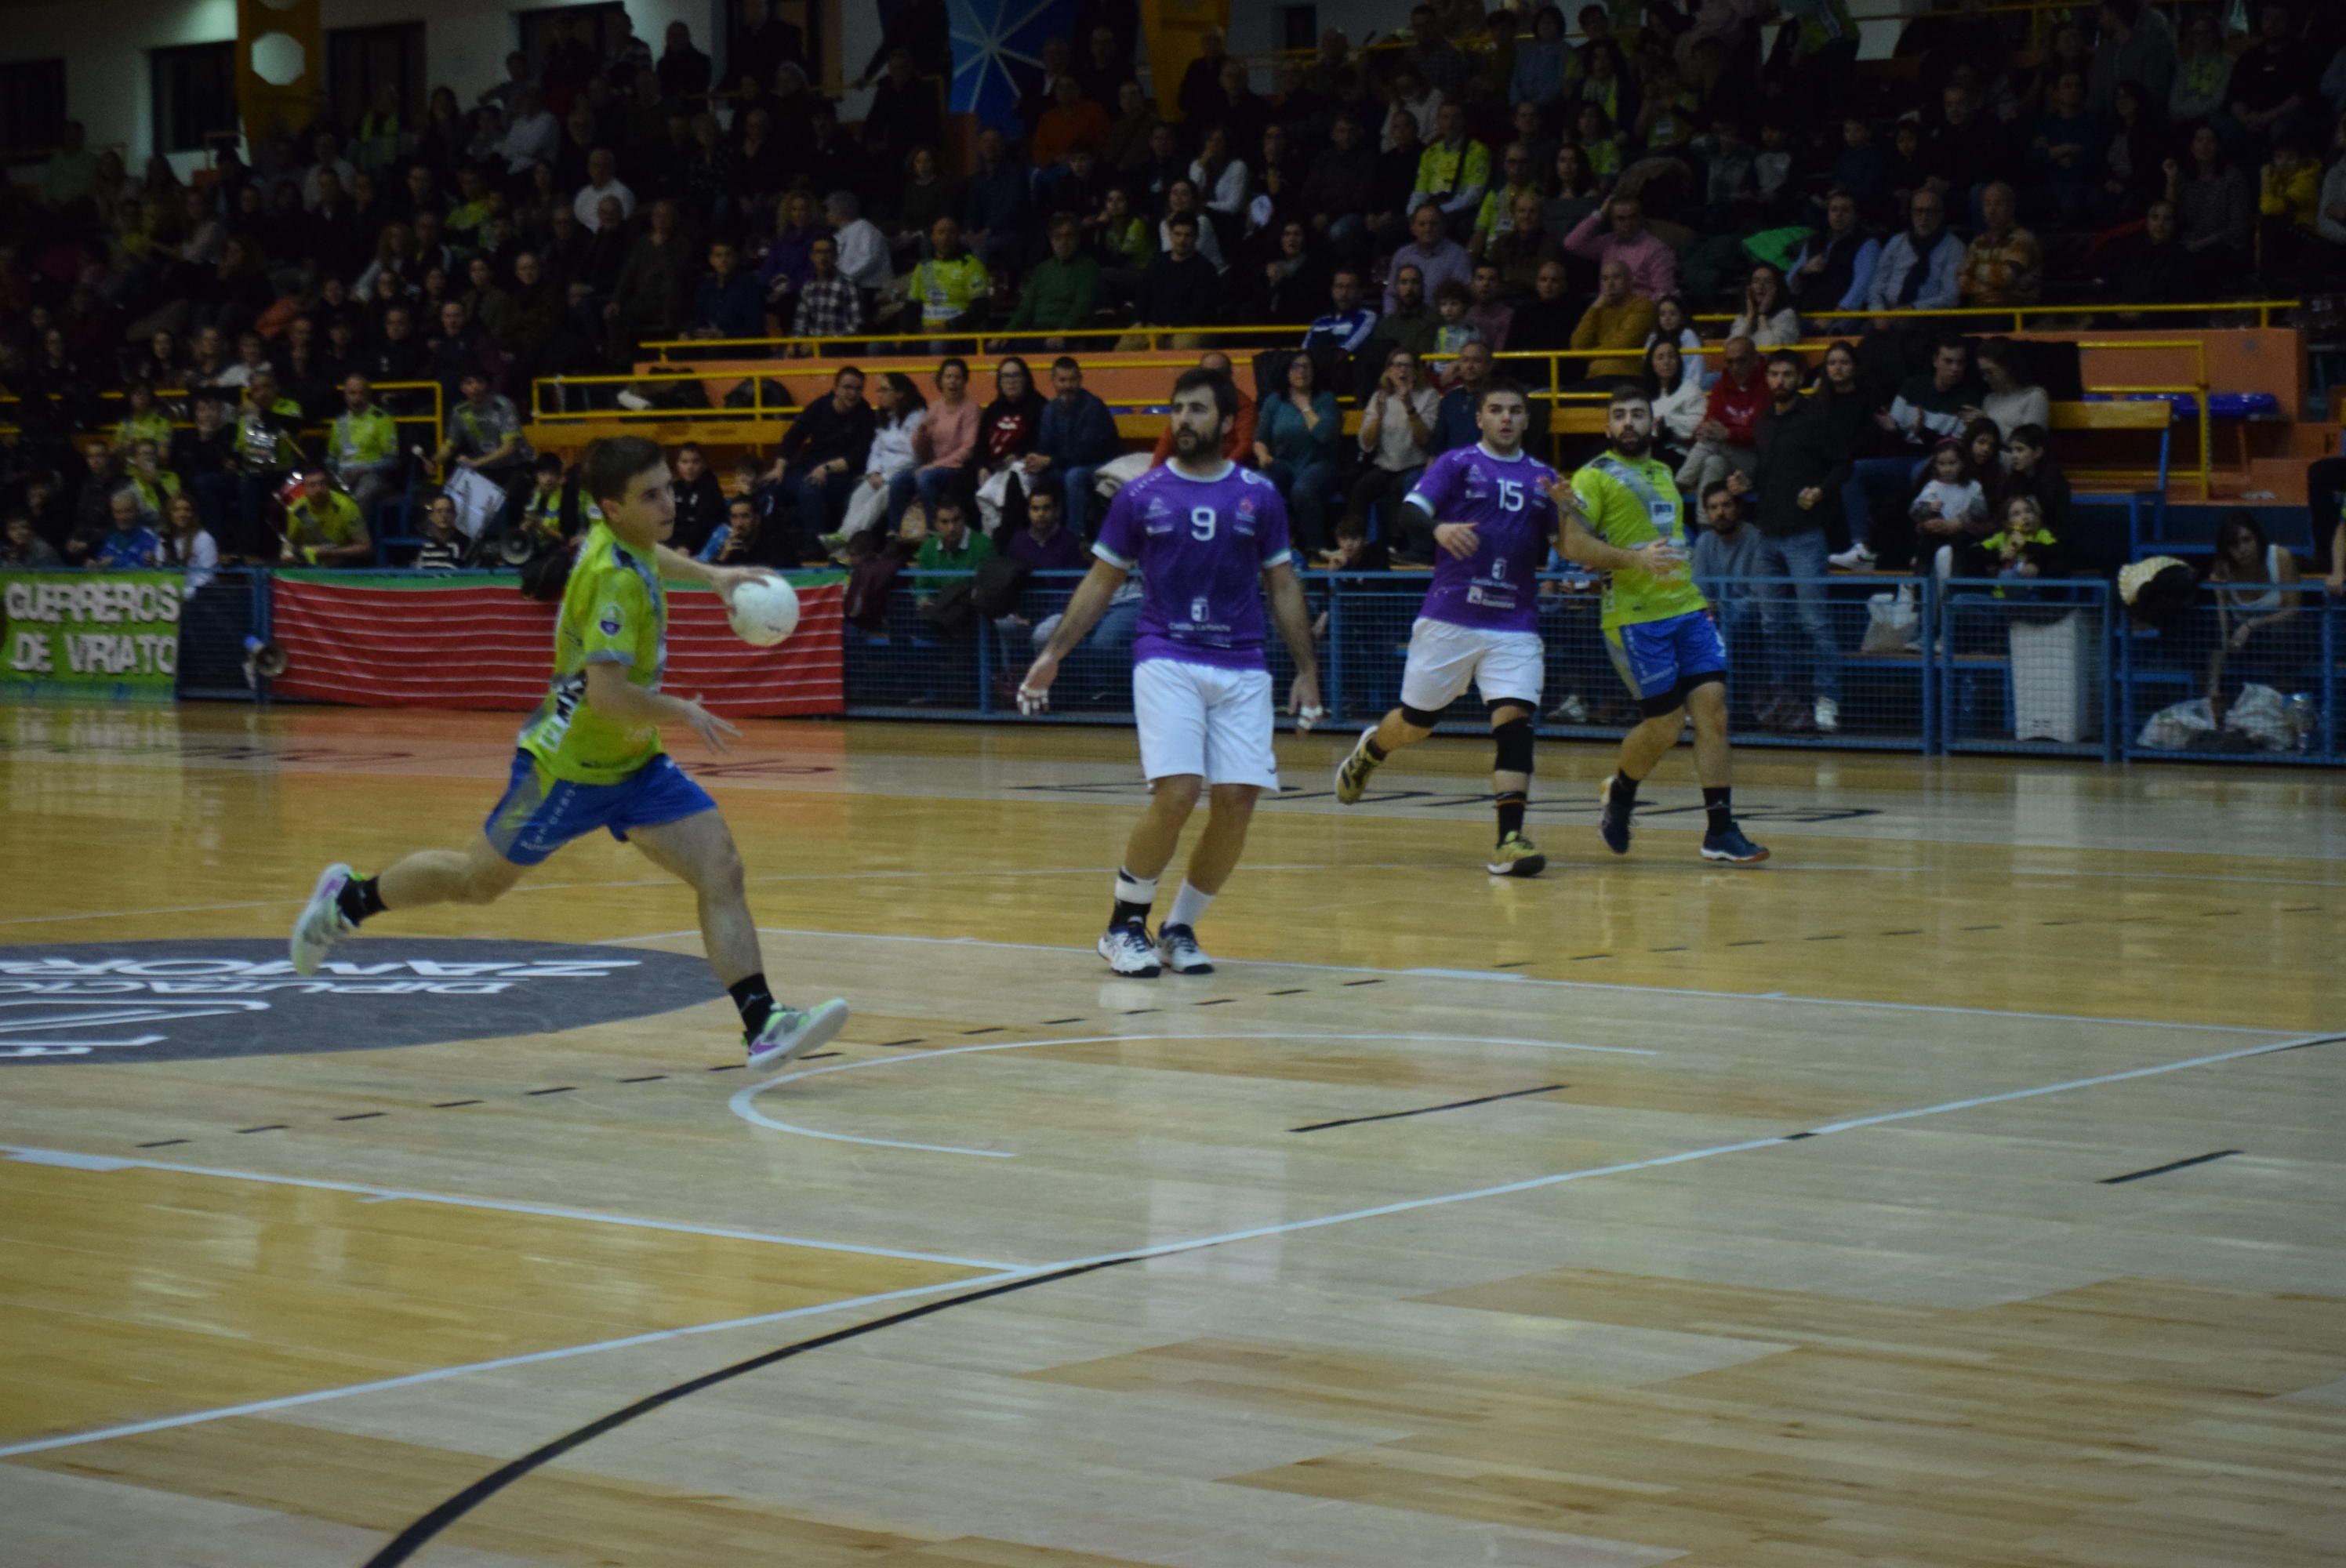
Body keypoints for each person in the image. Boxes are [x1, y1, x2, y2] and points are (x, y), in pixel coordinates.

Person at [289, 436, 849, 1069]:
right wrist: (685, 712)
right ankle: (348, 900)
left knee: (720, 867)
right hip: (566, 770)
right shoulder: (610, 583)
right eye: (651, 495)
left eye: (667, 487)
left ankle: (763, 1022)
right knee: (476, 883)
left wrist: (712, 574)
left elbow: (649, 554)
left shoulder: (621, 538)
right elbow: (609, 695)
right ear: (611, 506)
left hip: (634, 763)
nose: (668, 502)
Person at [1015, 368, 1322, 978]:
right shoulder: (1141, 495)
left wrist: (1306, 670)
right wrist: (1052, 654)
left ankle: (1178, 927)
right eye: (1177, 409)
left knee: (1237, 801)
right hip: (1167, 655)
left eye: (1197, 410)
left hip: (1243, 662)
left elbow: (1282, 585)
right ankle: (1123, 925)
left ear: (1228, 421)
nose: (1182, 419)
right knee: (1179, 791)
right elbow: (1101, 582)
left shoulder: (1259, 495)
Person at [1333, 379, 1561, 877]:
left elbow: (1569, 541)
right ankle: (1372, 750)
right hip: (1451, 617)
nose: (1506, 418)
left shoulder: (1545, 478)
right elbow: (1410, 511)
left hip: (1515, 622)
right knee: (1416, 724)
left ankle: (1509, 840)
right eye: (1496, 409)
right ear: (1480, 417)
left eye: (1515, 410)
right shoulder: (1457, 463)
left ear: (1526, 420)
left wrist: (1594, 538)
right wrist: (1436, 528)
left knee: (1516, 726)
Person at [1552, 383, 1769, 865]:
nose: (1629, 423)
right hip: (1635, 618)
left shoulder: (1664, 471)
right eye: (1619, 415)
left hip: (1687, 609)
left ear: (1654, 423)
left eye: (1638, 414)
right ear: (1608, 426)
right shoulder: (1593, 476)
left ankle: (1720, 831)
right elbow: (1571, 546)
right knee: (1668, 725)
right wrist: (1630, 560)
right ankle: (1622, 793)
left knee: (1714, 714)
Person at [1731, 350, 1848, 734]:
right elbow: (1768, 474)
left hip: (1805, 536)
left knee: (1815, 623)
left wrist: (1820, 490)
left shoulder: (1818, 418)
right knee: (1773, 624)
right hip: (1766, 534)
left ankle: (1826, 699)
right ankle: (1785, 703)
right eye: (1775, 374)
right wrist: (1747, 485)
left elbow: (1844, 464)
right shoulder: (1764, 422)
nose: (1780, 380)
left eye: (1787, 374)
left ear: (1800, 377)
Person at [1252, 351, 1345, 554]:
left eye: (1306, 367)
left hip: (1320, 464)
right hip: (1285, 464)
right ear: (1286, 373)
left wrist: (1305, 407)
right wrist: (1263, 456)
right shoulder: (1274, 401)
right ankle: (1267, 546)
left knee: (1302, 490)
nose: (1301, 371)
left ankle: (1316, 548)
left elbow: (1323, 435)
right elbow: (1260, 438)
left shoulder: (1326, 399)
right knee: (1259, 483)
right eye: (1296, 366)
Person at [1029, 357, 1121, 534]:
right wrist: (1035, 460)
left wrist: (1049, 461)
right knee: (1036, 475)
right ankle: (1041, 535)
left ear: (1080, 380)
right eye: (1062, 380)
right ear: (1053, 381)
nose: (1067, 385)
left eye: (1072, 380)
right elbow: (1045, 447)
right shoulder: (1049, 410)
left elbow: (1086, 454)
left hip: (1102, 464)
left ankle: (1075, 538)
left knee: (1074, 476)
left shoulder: (1094, 407)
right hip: (1066, 464)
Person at [1866, 187, 1963, 314]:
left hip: (1927, 315)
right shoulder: (1897, 242)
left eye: (1930, 212)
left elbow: (1951, 296)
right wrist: (1878, 311)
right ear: (1911, 213)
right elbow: (1877, 285)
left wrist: (1914, 309)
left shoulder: (1954, 247)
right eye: (1919, 211)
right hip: (1888, 312)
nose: (1924, 218)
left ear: (1941, 214)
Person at [1572, 259, 1656, 380]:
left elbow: (1622, 344)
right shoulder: (1599, 308)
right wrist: (1594, 309)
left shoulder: (1644, 306)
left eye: (1616, 277)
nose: (1610, 284)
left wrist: (1587, 353)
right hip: (1594, 377)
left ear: (1630, 280)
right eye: (1605, 279)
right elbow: (1577, 345)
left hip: (1629, 376)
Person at [281, 470, 374, 566]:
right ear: (304, 489)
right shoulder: (297, 510)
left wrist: (331, 553)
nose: (318, 489)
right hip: (313, 566)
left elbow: (366, 547)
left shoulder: (346, 506)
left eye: (322, 483)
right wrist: (287, 553)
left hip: (346, 564)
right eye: (312, 485)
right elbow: (290, 542)